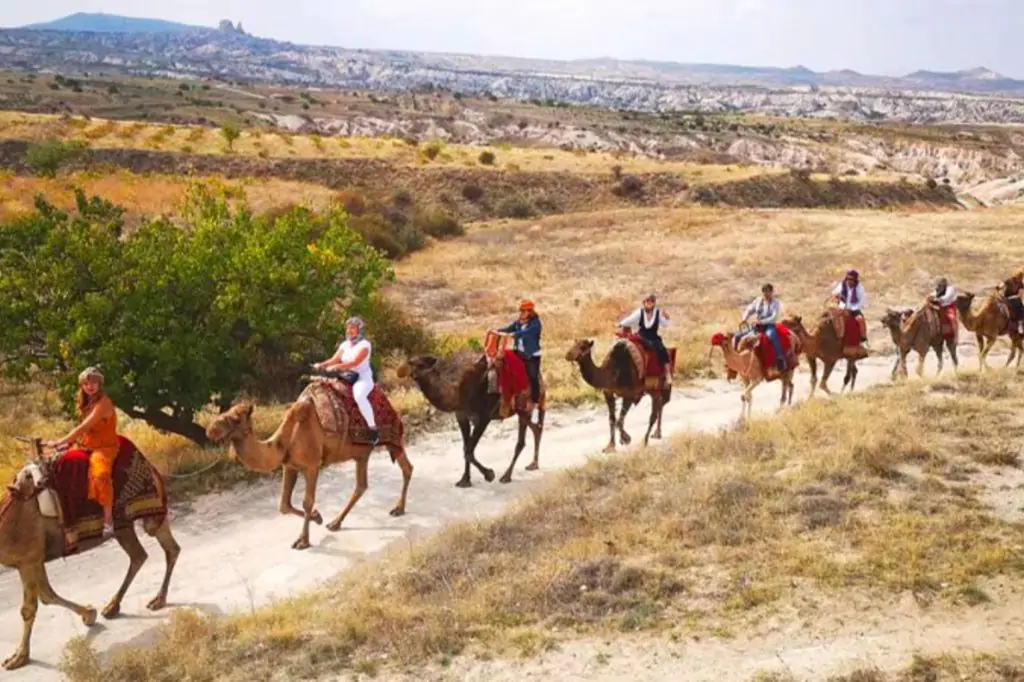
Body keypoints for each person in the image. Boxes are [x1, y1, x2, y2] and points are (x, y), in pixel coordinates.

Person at [46, 367, 119, 539]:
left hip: (104, 448)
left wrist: (60, 441)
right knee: (60, 462)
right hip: (85, 445)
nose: (89, 386)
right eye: (86, 383)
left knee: (100, 474)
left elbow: (84, 427)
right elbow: (84, 433)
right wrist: (68, 444)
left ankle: (108, 520)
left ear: (100, 384)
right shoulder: (86, 403)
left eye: (93, 382)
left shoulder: (104, 403)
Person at [315, 316, 378, 446]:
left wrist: (336, 367)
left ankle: (373, 430)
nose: (349, 331)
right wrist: (321, 364)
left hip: (361, 377)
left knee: (359, 396)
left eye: (353, 328)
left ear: (359, 330)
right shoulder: (345, 344)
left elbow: (354, 362)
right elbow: (334, 359)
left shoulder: (365, 345)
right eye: (348, 328)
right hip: (346, 376)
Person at [495, 300, 542, 404]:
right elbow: (508, 328)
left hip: (531, 355)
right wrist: (497, 331)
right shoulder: (518, 323)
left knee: (532, 375)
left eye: (524, 311)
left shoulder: (536, 324)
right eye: (521, 311)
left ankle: (536, 398)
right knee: (506, 363)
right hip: (519, 352)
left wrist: (515, 334)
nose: (521, 313)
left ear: (530, 312)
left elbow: (526, 333)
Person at [741, 283, 786, 371]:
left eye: (768, 292)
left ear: (771, 292)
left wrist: (762, 321)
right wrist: (744, 318)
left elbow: (774, 317)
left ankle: (780, 359)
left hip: (769, 325)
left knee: (772, 336)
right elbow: (749, 310)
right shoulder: (758, 300)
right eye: (764, 292)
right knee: (741, 335)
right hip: (757, 325)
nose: (766, 294)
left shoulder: (775, 303)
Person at [619, 294, 671, 367]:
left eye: (652, 301)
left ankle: (667, 372)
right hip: (641, 336)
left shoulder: (658, 313)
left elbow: (665, 324)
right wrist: (620, 324)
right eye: (648, 301)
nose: (649, 303)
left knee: (662, 350)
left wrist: (667, 317)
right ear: (644, 302)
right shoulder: (640, 312)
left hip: (653, 338)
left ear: (654, 303)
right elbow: (630, 319)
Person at [832, 269, 868, 345]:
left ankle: (863, 339)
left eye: (851, 279)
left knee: (860, 320)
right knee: (834, 318)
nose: (849, 281)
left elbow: (862, 301)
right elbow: (834, 294)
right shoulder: (842, 285)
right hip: (842, 307)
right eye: (847, 278)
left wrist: (851, 309)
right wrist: (836, 297)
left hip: (854, 309)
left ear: (855, 280)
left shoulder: (859, 288)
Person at [1000, 269, 1024, 335]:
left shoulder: (1020, 284)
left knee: (1021, 309)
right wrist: (1000, 287)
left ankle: (1019, 325)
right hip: (1006, 298)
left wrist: (1012, 297)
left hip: (1014, 298)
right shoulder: (1009, 280)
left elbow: (1020, 294)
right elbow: (1002, 285)